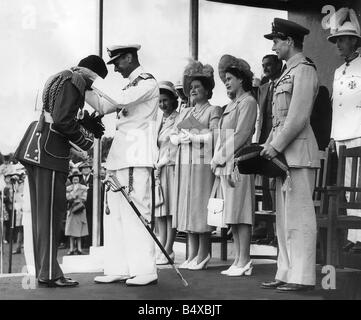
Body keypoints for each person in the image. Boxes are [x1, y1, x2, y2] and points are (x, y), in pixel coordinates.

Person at [14, 55, 108, 287]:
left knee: (42, 216)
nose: (92, 85)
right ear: (89, 73)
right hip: (50, 151)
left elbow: (58, 115)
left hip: (38, 146)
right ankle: (49, 274)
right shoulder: (75, 80)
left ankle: (44, 271)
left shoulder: (62, 76)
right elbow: (62, 121)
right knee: (50, 215)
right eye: (94, 79)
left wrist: (82, 123)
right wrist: (87, 141)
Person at [85, 44, 159, 286]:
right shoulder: (130, 86)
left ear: (129, 57)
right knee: (114, 214)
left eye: (117, 61)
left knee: (136, 213)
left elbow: (118, 99)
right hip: (120, 156)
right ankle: (119, 266)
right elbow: (105, 106)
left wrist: (93, 78)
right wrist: (83, 86)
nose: (115, 68)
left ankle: (145, 269)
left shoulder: (147, 82)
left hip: (136, 156)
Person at [260, 18, 320, 292]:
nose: (273, 46)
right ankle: (285, 271)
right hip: (283, 156)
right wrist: (267, 149)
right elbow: (278, 120)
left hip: (297, 154)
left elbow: (297, 118)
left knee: (300, 219)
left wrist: (275, 146)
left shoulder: (304, 70)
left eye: (276, 40)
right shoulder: (286, 73)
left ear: (289, 42)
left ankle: (303, 276)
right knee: (283, 221)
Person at [170, 60, 222, 270]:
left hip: (202, 165)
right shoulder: (184, 112)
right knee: (187, 208)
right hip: (185, 164)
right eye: (190, 88)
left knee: (200, 208)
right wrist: (180, 139)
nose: (192, 90)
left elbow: (216, 135)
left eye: (197, 87)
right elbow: (173, 136)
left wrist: (194, 136)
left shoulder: (213, 110)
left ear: (207, 90)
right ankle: (191, 255)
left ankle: (203, 254)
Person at [211, 54, 257, 276]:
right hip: (228, 164)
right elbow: (224, 133)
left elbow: (241, 134)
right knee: (233, 214)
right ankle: (239, 259)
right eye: (225, 79)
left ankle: (245, 260)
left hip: (241, 162)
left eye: (230, 78)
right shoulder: (232, 104)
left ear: (241, 79)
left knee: (242, 213)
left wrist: (220, 156)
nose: (227, 82)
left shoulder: (248, 102)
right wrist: (218, 159)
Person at [326, 7, 361, 253]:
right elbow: (336, 106)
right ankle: (354, 236)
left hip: (359, 133)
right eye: (336, 40)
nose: (338, 45)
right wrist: (331, 135)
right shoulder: (339, 72)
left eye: (342, 40)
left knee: (359, 185)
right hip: (341, 136)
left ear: (354, 41)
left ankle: (360, 237)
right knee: (347, 188)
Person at [154, 81, 179, 265]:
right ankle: (161, 246)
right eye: (160, 101)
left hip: (171, 167)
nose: (162, 104)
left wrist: (165, 161)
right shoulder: (157, 120)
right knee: (159, 211)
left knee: (169, 210)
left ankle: (169, 249)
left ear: (173, 100)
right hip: (157, 169)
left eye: (165, 100)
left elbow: (189, 142)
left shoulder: (181, 117)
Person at [65, 169, 88, 255]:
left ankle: (79, 248)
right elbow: (67, 198)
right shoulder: (68, 188)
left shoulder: (83, 187)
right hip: (71, 210)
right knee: (71, 230)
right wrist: (74, 196)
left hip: (80, 210)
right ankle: (71, 248)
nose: (75, 179)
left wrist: (75, 198)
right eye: (74, 178)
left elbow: (84, 198)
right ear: (71, 179)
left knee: (79, 230)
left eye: (77, 178)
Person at [79, 160, 93, 248]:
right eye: (84, 168)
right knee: (83, 224)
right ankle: (85, 244)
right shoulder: (78, 180)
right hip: (81, 206)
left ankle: (92, 242)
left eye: (87, 168)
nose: (86, 170)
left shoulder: (94, 178)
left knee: (92, 223)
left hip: (92, 206)